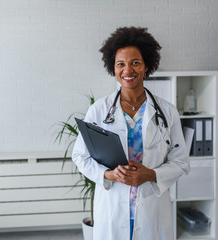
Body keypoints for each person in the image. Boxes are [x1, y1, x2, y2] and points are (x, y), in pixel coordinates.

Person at [72, 26, 190, 240]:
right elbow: (80, 156)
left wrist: (152, 174)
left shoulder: (167, 112)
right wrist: (107, 174)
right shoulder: (98, 110)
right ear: (113, 68)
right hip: (113, 208)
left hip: (152, 209)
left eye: (135, 62)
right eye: (121, 64)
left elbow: (181, 162)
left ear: (146, 66)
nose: (128, 70)